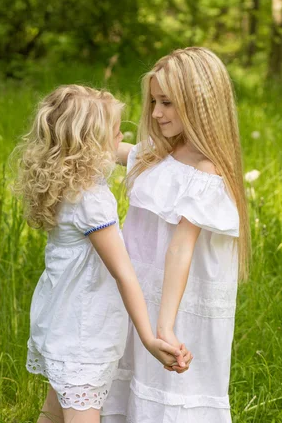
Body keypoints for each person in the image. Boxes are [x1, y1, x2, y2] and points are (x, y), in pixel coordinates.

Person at [14, 85, 189, 423]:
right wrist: (149, 338)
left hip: (60, 322)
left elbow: (123, 150)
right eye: (114, 132)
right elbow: (123, 272)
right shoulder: (91, 200)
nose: (121, 137)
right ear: (91, 147)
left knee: (52, 414)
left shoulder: (64, 185)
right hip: (84, 331)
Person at [102, 47, 251, 423]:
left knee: (169, 393)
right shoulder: (161, 153)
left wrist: (164, 327)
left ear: (200, 104)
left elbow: (180, 250)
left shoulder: (207, 171)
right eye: (154, 101)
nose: (154, 113)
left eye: (166, 102)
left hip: (174, 303)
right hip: (138, 293)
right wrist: (72, 145)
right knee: (129, 376)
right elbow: (121, 152)